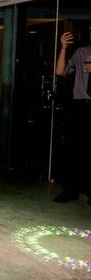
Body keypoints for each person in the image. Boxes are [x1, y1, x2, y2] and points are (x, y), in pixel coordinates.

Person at [54, 26, 91, 203]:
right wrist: (63, 48)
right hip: (80, 106)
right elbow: (60, 71)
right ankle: (71, 190)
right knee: (74, 149)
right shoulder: (82, 52)